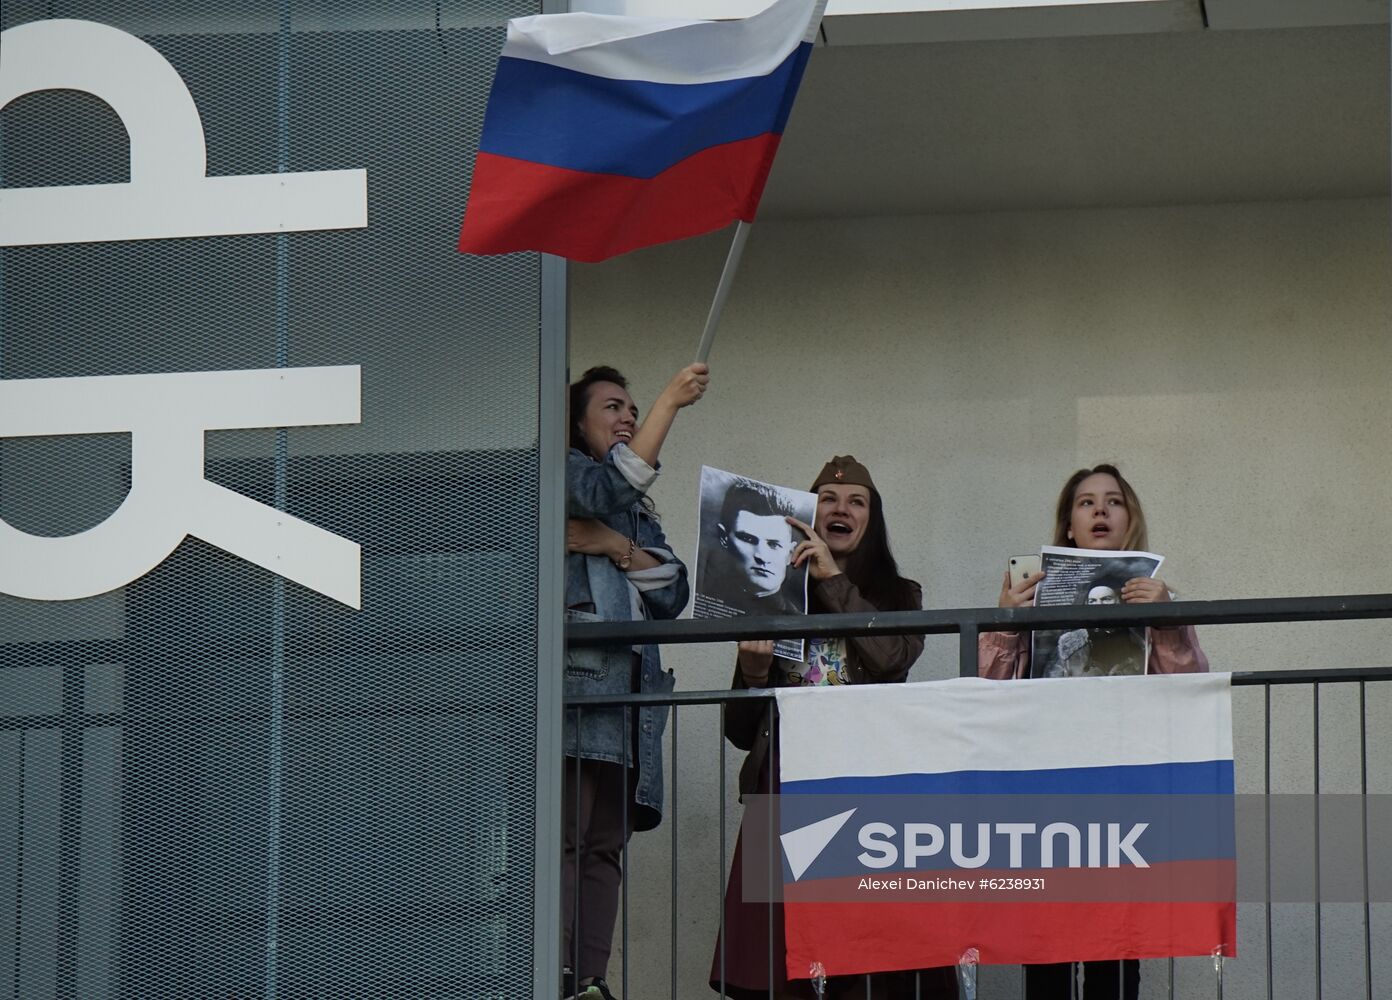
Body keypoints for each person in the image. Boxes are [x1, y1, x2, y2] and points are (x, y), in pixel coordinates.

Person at [709, 456, 956, 999]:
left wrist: (833, 579)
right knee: (778, 963)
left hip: (868, 789)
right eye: (827, 498)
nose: (840, 508)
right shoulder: (774, 591)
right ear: (807, 513)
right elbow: (741, 730)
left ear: (872, 519)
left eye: (856, 501)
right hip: (785, 784)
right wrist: (751, 674)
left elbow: (892, 657)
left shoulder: (899, 595)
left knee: (867, 956)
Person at [979, 463, 1208, 1000]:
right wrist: (1005, 621)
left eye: (1113, 501)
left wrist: (1169, 617)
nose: (1100, 510)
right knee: (1047, 948)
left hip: (1122, 788)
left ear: (1131, 521)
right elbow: (989, 689)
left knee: (1115, 949)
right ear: (1067, 527)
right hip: (1046, 786)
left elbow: (1187, 688)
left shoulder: (1157, 597)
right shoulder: (1028, 593)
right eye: (1086, 502)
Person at [564, 362, 708, 1000]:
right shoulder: (564, 476)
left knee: (603, 848)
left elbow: (673, 590)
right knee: (565, 838)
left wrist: (612, 546)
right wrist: (669, 405)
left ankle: (590, 979)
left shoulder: (636, 515)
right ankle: (556, 974)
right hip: (575, 692)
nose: (627, 417)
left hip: (630, 701)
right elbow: (600, 495)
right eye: (613, 408)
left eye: (634, 408)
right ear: (576, 425)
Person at [701, 477, 802, 615]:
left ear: (790, 553)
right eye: (748, 539)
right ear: (724, 538)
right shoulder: (702, 599)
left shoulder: (800, 625)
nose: (762, 556)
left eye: (773, 544)